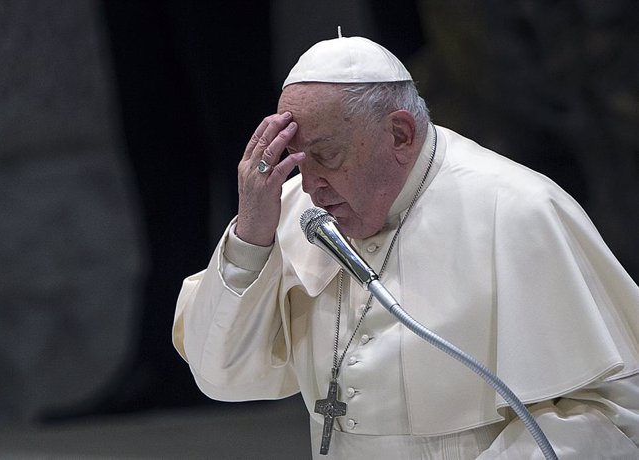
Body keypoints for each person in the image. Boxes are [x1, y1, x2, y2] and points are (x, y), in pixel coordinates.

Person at [172, 34, 639, 458]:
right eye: (297, 160)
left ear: (399, 134)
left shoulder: (517, 210)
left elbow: (609, 412)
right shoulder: (291, 213)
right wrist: (251, 237)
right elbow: (221, 377)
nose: (311, 185)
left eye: (326, 155)